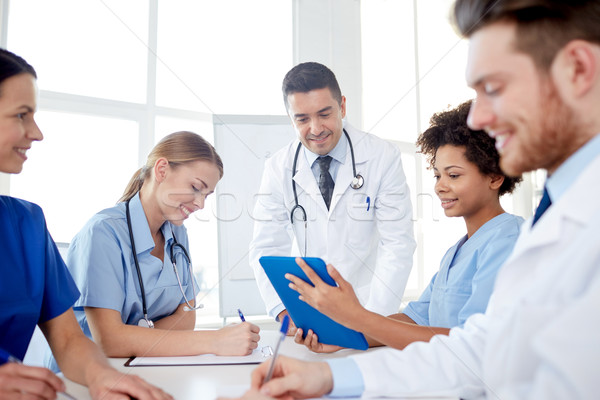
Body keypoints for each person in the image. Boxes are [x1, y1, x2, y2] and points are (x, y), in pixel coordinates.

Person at [234, 0, 600, 398]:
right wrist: (329, 374)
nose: (476, 119)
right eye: (301, 119)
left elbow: (400, 249)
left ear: (577, 69)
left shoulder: (525, 231)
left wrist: (358, 319)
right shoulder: (554, 215)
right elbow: (482, 347)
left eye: (493, 88)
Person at [0, 48, 171, 399]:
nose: (36, 132)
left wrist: (101, 375)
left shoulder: (26, 225)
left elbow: (68, 340)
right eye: (21, 115)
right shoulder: (103, 231)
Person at [290, 99, 523, 353]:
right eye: (437, 175)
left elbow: (471, 340)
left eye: (453, 175)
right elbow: (415, 320)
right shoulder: (456, 252)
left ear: (495, 177)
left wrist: (356, 316)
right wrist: (344, 335)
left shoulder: (508, 241)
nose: (439, 186)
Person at [46, 131, 260, 369]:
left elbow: (187, 318)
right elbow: (109, 340)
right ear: (161, 170)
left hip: (141, 369)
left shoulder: (178, 235)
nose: (200, 204)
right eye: (196, 188)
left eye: (207, 195)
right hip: (84, 376)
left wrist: (132, 337)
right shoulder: (103, 233)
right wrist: (215, 340)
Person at [249, 62, 416, 333]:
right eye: (302, 119)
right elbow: (266, 246)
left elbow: (398, 244)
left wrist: (372, 322)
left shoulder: (381, 156)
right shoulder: (278, 167)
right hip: (307, 316)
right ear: (291, 118)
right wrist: (283, 311)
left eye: (324, 114)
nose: (315, 128)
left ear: (343, 107)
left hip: (368, 307)